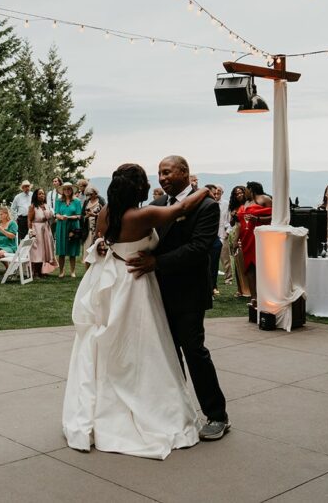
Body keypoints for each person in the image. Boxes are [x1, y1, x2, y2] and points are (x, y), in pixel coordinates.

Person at [62, 161, 220, 459]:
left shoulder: (110, 213)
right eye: (154, 177)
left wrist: (102, 246)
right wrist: (205, 190)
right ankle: (155, 406)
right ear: (139, 188)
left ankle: (211, 412)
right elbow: (181, 209)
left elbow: (105, 241)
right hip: (137, 287)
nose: (158, 180)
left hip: (120, 284)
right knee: (146, 349)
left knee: (126, 350)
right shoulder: (148, 211)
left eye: (166, 173)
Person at [127, 156, 230, 442]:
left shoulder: (207, 207)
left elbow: (199, 248)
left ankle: (217, 415)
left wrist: (156, 263)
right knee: (167, 354)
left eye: (168, 172)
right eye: (159, 173)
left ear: (185, 172)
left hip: (189, 291)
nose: (162, 177)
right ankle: (178, 410)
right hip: (157, 291)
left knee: (194, 351)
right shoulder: (158, 206)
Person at [236, 181, 272, 303]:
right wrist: (236, 239)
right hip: (246, 237)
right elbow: (240, 224)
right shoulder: (246, 202)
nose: (244, 192)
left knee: (261, 266)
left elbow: (276, 216)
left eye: (246, 189)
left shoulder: (264, 199)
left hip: (260, 237)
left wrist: (258, 219)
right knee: (249, 267)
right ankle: (253, 297)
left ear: (251, 189)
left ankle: (265, 295)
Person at [226, 186, 251, 297]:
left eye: (241, 192)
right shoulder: (234, 207)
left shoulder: (249, 204)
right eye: (237, 194)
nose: (239, 195)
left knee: (246, 262)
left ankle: (249, 289)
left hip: (246, 233)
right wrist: (232, 217)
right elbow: (231, 224)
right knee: (237, 262)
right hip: (236, 232)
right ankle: (240, 289)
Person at [54, 183, 83, 278]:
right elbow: (56, 213)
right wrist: (61, 217)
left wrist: (69, 217)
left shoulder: (77, 201)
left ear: (72, 190)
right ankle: (61, 271)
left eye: (69, 189)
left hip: (73, 226)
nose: (67, 190)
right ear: (62, 191)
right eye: (65, 189)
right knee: (61, 249)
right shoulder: (58, 201)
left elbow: (79, 215)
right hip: (61, 226)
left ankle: (72, 271)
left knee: (72, 250)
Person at [28, 189, 57, 278]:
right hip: (36, 228)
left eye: (43, 194)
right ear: (36, 195)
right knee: (37, 251)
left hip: (46, 228)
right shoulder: (33, 206)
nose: (42, 195)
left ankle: (42, 271)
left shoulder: (46, 206)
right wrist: (30, 231)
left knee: (45, 250)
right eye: (40, 194)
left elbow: (50, 217)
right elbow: (29, 219)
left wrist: (46, 210)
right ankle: (35, 272)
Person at [81, 186, 103, 253]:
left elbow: (104, 214)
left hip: (97, 228)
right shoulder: (86, 201)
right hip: (87, 229)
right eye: (87, 194)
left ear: (95, 193)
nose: (89, 196)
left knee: (95, 249)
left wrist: (95, 215)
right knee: (87, 249)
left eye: (91, 194)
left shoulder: (101, 201)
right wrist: (86, 216)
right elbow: (82, 214)